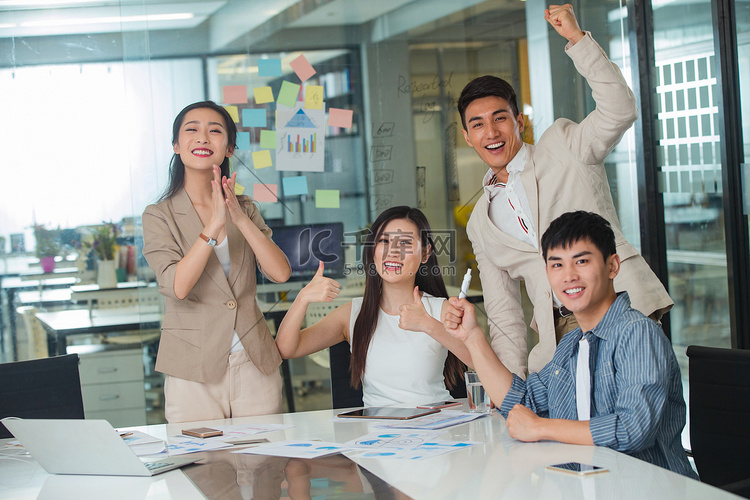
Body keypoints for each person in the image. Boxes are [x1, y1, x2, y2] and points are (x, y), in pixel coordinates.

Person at [458, 4, 673, 378]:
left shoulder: (562, 145)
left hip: (619, 308)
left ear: (518, 122)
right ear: (467, 137)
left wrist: (576, 40)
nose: (491, 133)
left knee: (627, 425)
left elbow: (619, 111)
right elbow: (504, 312)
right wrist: (510, 393)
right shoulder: (480, 223)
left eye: (500, 119)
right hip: (558, 337)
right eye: (478, 125)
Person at [444, 211, 696, 478]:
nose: (569, 276)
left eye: (582, 261)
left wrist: (541, 427)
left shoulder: (637, 333)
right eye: (557, 265)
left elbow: (632, 429)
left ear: (612, 266)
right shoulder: (573, 344)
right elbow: (522, 402)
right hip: (584, 487)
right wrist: (472, 337)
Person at [142, 100, 291, 423]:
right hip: (192, 368)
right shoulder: (159, 215)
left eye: (215, 131)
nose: (203, 138)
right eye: (192, 130)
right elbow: (177, 286)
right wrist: (212, 227)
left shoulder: (245, 207)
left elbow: (280, 273)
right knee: (203, 470)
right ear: (176, 145)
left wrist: (240, 219)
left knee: (264, 466)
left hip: (254, 361)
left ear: (229, 149)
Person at [275, 206, 471, 407]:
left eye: (405, 242)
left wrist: (429, 325)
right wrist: (302, 298)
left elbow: (479, 362)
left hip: (437, 424)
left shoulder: (441, 309)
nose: (393, 251)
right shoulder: (354, 314)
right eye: (384, 241)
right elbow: (287, 349)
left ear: (425, 253)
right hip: (379, 430)